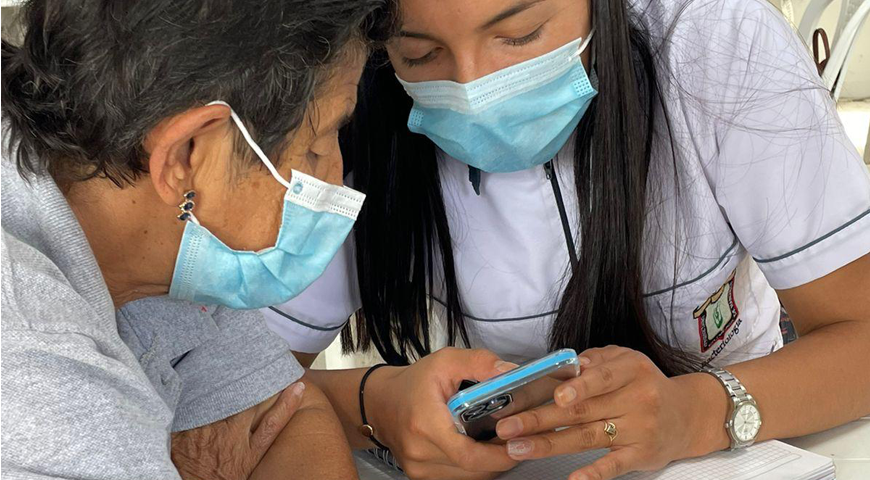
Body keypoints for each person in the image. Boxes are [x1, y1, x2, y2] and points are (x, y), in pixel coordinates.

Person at [264, 0, 870, 479]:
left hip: (759, 438)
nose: (474, 89)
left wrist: (696, 412)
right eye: (421, 55)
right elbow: (239, 387)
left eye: (520, 34)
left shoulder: (715, 44)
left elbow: (859, 339)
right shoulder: (347, 104)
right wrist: (380, 407)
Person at [0, 0, 378, 478]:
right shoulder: (35, 371)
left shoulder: (171, 243)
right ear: (187, 155)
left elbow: (293, 413)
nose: (336, 178)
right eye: (319, 143)